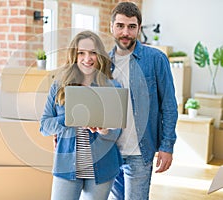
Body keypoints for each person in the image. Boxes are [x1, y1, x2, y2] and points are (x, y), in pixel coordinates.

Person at [40, 30, 122, 200]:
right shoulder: (59, 86)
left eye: (93, 53)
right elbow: (44, 127)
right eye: (81, 53)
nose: (87, 58)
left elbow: (117, 131)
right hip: (67, 167)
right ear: (73, 56)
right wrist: (71, 118)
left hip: (103, 166)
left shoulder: (112, 86)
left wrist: (105, 131)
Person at [107, 2, 178, 200]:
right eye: (120, 26)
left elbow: (169, 106)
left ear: (138, 28)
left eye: (131, 27)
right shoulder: (103, 61)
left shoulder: (156, 59)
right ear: (111, 27)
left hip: (140, 152)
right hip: (108, 152)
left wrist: (167, 146)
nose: (125, 32)